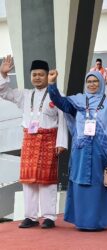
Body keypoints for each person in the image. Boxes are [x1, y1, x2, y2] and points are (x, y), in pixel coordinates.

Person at [47, 70, 107, 230]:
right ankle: (81, 221)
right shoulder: (78, 101)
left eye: (95, 81)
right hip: (81, 148)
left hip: (101, 150)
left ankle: (97, 221)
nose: (92, 84)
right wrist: (52, 85)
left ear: (102, 83)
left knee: (98, 183)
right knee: (80, 181)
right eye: (89, 82)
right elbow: (60, 102)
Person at [0, 56, 68, 229]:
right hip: (29, 141)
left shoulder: (56, 95)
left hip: (48, 141)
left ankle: (49, 217)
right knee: (29, 181)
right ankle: (30, 216)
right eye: (34, 74)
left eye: (41, 74)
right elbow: (4, 92)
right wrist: (3, 73)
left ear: (48, 76)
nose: (37, 77)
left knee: (47, 181)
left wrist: (61, 142)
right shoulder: (25, 94)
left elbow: (62, 120)